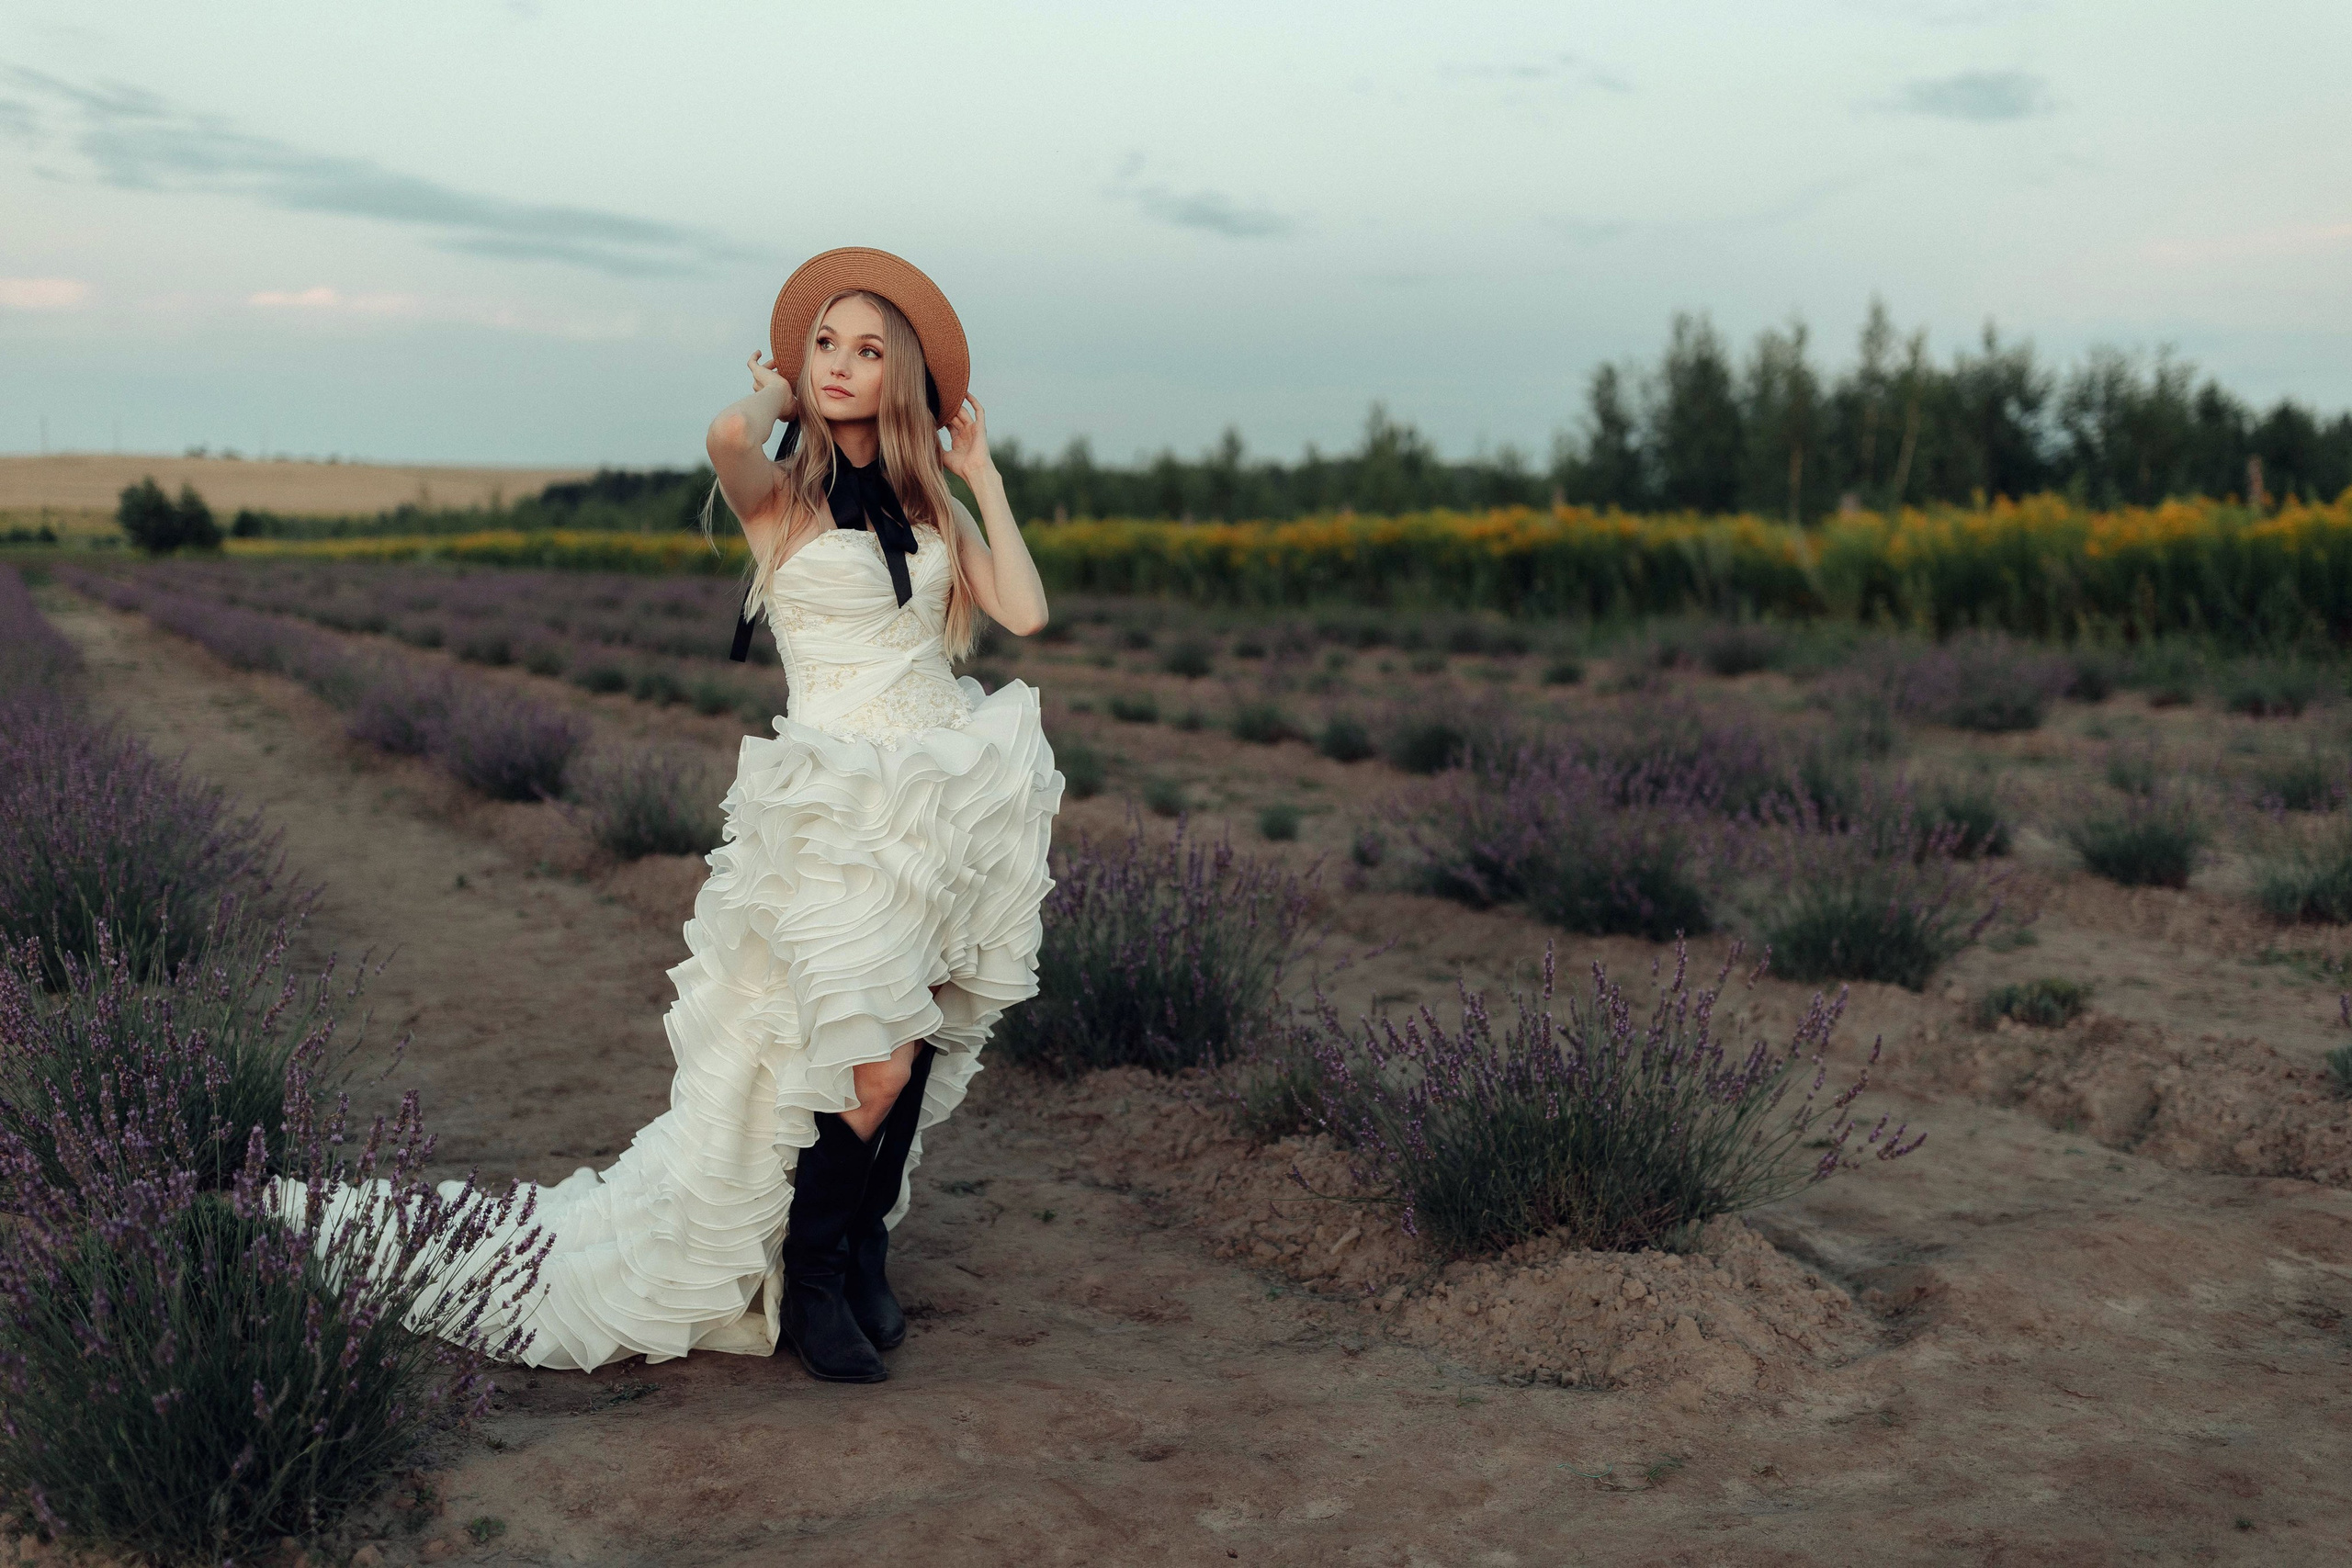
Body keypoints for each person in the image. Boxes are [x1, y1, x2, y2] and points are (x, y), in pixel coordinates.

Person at [280, 248, 1062, 1386]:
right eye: (824, 347)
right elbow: (727, 440)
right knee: (871, 1061)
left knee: (926, 1028)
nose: (842, 365)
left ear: (900, 378)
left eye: (866, 350)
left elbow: (1025, 614)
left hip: (942, 786)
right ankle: (816, 1284)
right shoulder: (778, 499)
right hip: (839, 798)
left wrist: (978, 471)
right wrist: (775, 395)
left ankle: (862, 1244)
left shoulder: (923, 502)